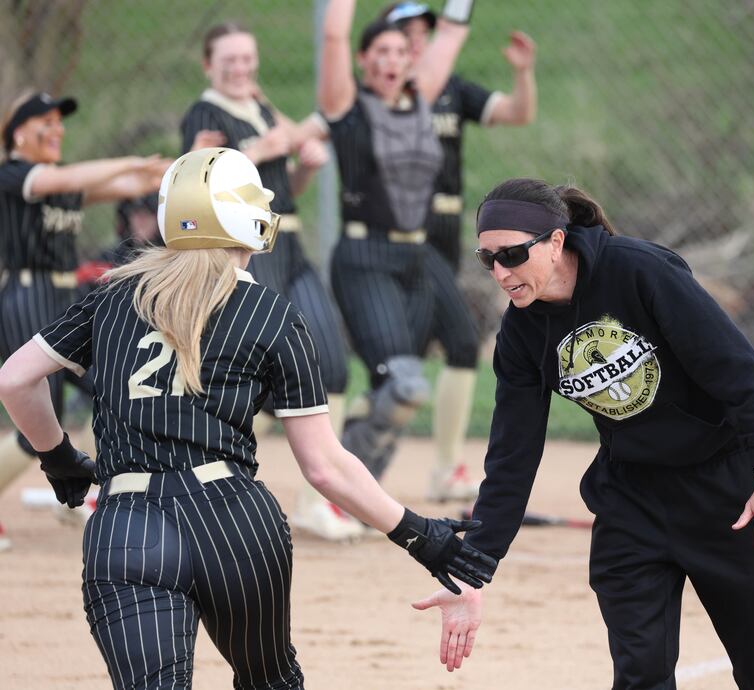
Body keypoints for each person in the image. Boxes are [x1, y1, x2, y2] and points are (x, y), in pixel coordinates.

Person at [0, 147, 496, 689]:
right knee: (269, 680)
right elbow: (326, 468)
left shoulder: (114, 295)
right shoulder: (273, 312)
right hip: (232, 522)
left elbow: (15, 380)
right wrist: (424, 537)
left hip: (128, 522)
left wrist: (59, 458)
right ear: (249, 221)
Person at [413, 177, 754, 687]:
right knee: (639, 673)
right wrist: (472, 566)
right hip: (631, 501)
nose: (501, 273)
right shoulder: (522, 334)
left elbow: (737, 371)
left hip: (724, 494)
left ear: (555, 241)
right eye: (488, 260)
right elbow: (512, 453)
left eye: (511, 255)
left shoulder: (639, 271)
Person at [180, 22, 361, 542]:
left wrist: (301, 163)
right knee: (247, 379)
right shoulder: (206, 114)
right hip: (245, 250)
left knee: (331, 366)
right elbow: (198, 179)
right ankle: (215, 496)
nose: (240, 69)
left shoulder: (259, 107)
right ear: (208, 65)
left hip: (291, 243)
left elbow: (285, 189)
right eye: (229, 60)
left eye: (246, 58)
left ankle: (316, 502)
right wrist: (263, 147)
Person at [379, 2, 537, 502]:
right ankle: (358, 471)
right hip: (406, 230)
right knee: (441, 345)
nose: (419, 39)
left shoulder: (451, 88)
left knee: (428, 349)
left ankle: (441, 468)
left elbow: (519, 112)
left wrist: (523, 74)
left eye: (426, 30)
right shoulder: (387, 94)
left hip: (447, 227)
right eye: (408, 31)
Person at [0, 90, 167, 550]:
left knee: (110, 384)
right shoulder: (15, 175)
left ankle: (90, 495)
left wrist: (156, 172)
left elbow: (124, 186)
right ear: (18, 133)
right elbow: (70, 178)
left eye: (60, 123)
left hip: (63, 293)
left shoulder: (61, 181)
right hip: (25, 292)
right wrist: (127, 161)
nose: (57, 130)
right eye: (46, 123)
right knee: (39, 419)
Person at [318, 0, 473, 486]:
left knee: (400, 389)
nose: (391, 60)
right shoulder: (346, 105)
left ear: (411, 60)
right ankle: (346, 485)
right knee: (404, 384)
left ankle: (358, 489)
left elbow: (450, 35)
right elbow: (333, 39)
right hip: (365, 259)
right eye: (380, 51)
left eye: (400, 52)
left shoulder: (421, 97)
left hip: (416, 258)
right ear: (364, 60)